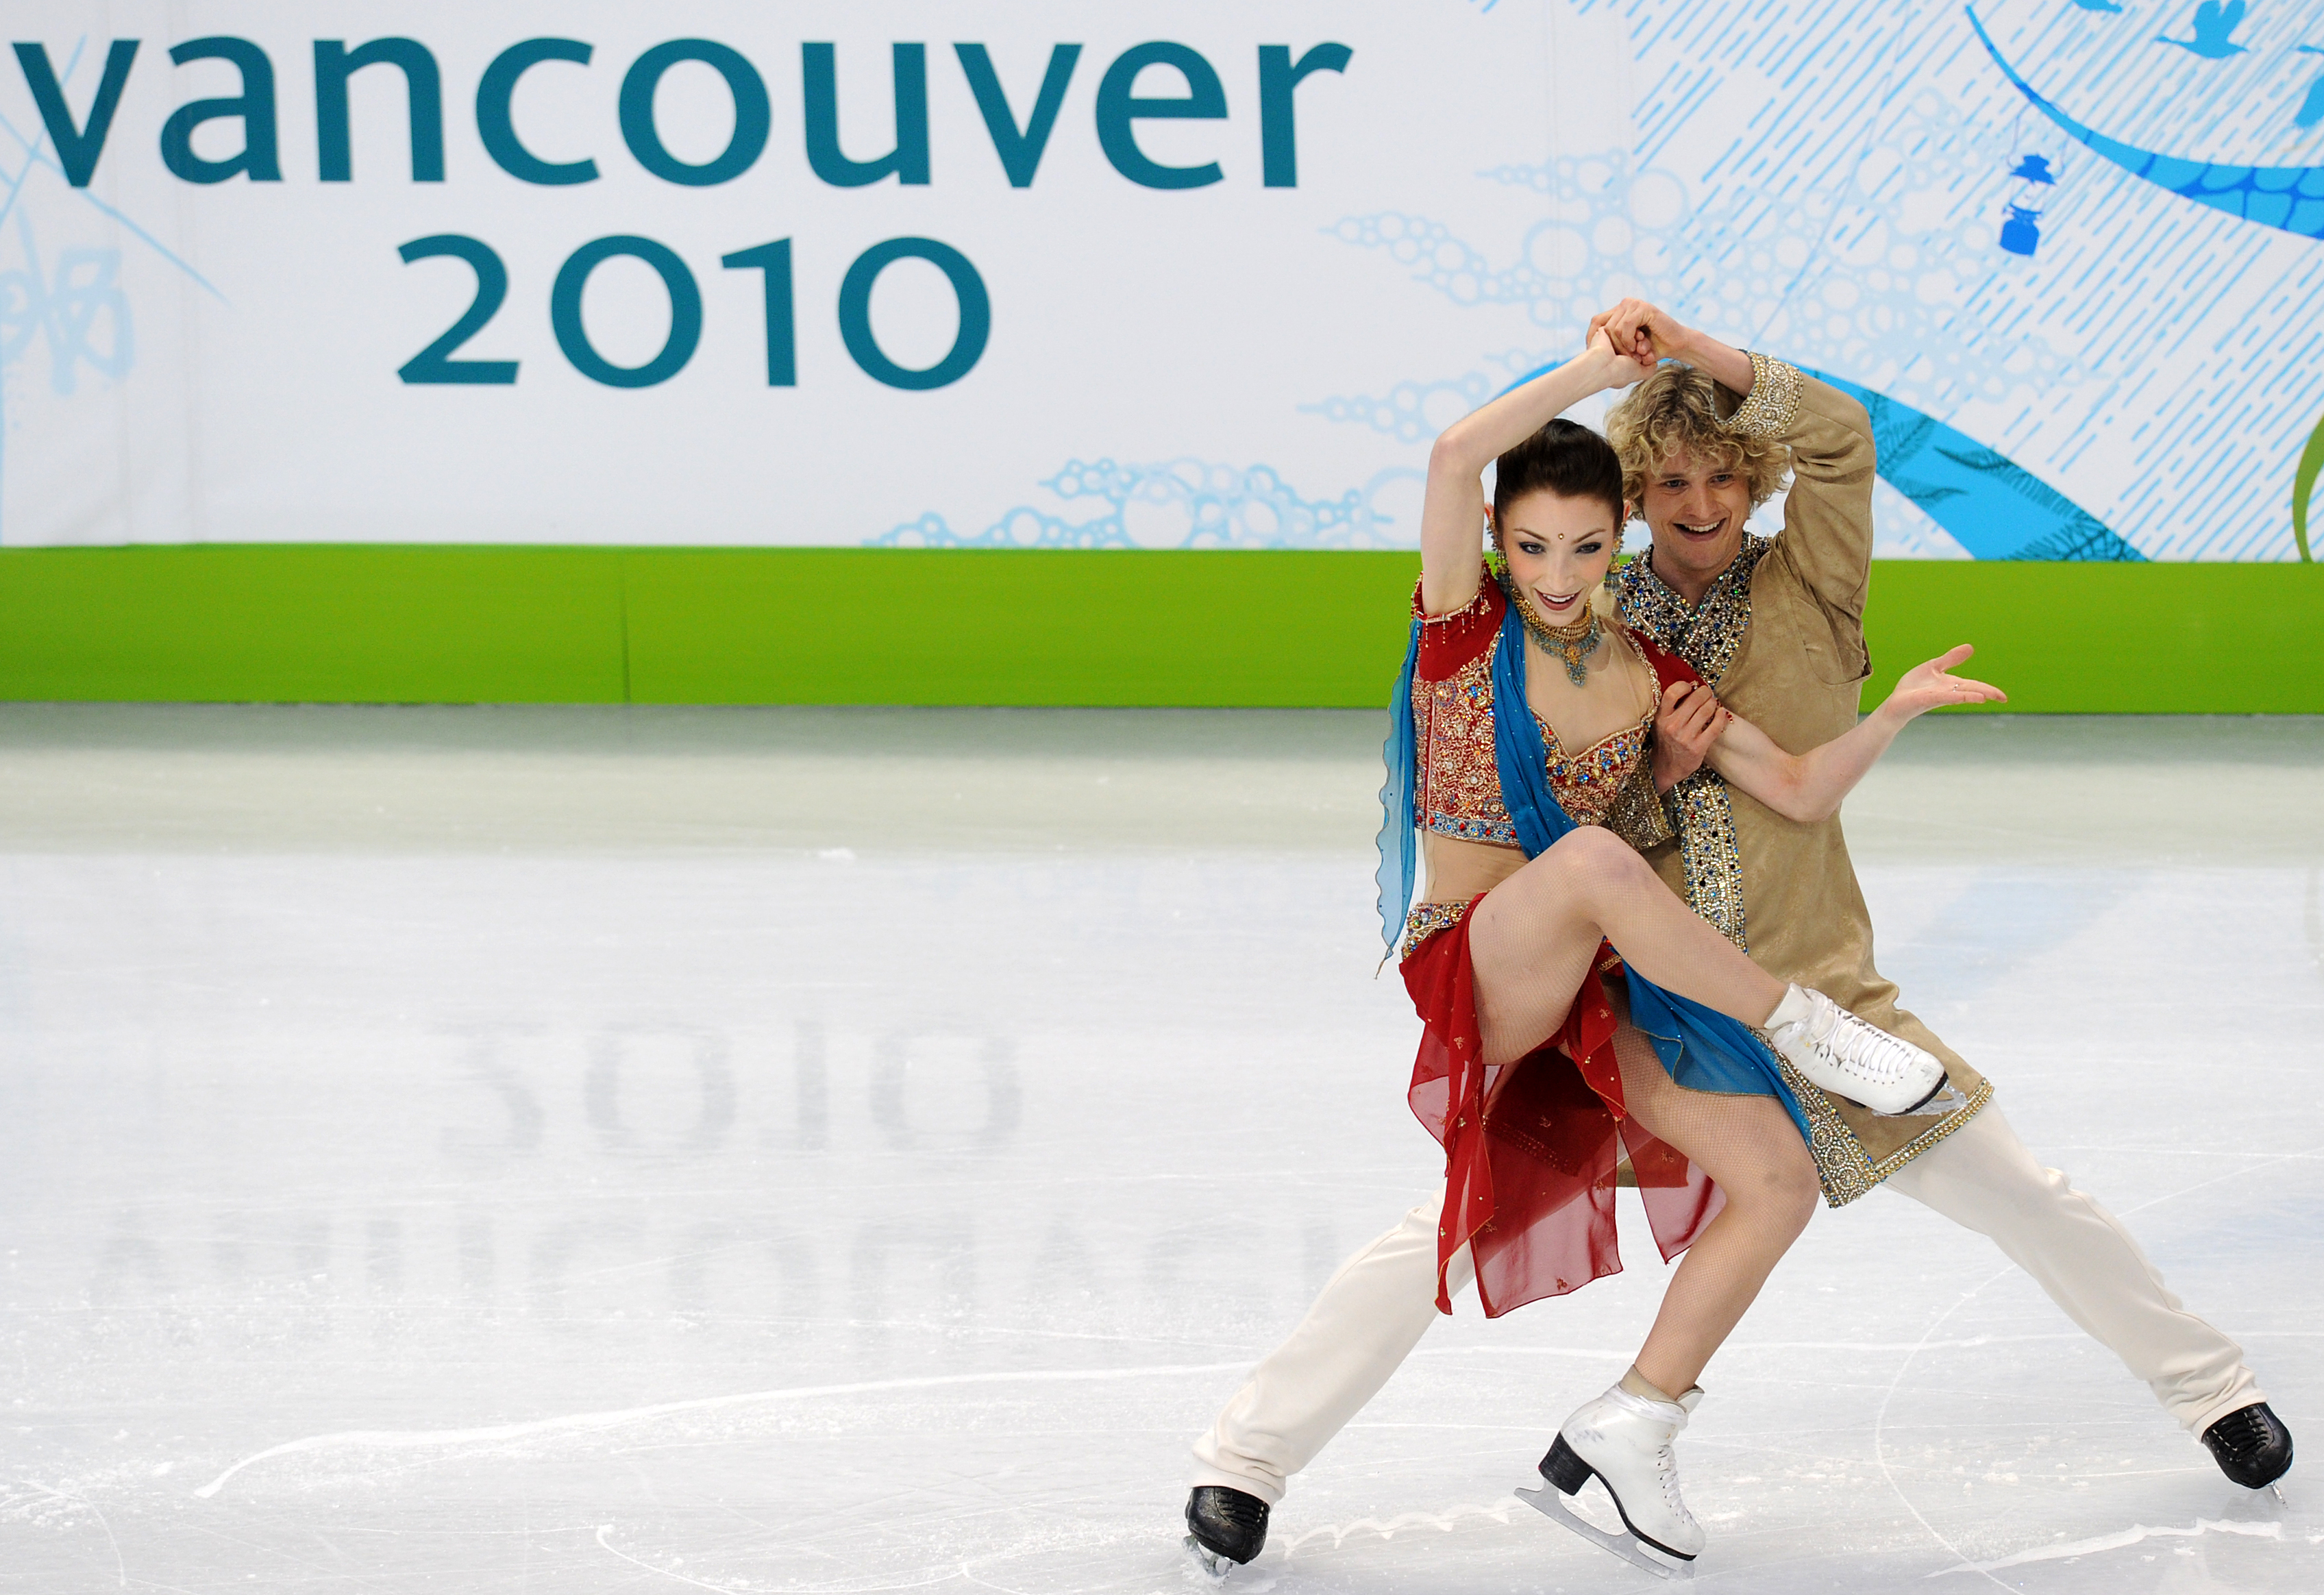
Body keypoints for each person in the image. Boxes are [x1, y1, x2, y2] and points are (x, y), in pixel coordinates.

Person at [1183, 324, 2005, 1577]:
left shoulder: (1645, 666)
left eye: (1584, 546)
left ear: (1620, 532)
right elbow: (1460, 450)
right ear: (1497, 538)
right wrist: (1596, 374)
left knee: (1777, 1175)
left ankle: (1633, 1422)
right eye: (1531, 545)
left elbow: (1789, 782)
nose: (1557, 574)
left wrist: (1883, 715)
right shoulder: (1462, 627)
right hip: (1480, 965)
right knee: (1594, 865)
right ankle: (1802, 1023)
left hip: (1589, 982)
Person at [1587, 299, 2293, 1503]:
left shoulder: (1812, 581)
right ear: (1635, 491)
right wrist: (1653, 781)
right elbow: (1571, 834)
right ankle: (1250, 1460)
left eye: (1721, 476)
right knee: (1454, 1216)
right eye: (1669, 481)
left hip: (1828, 1002)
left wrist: (1694, 348)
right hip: (1656, 1014)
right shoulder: (1595, 619)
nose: (1698, 503)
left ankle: (2212, 1390)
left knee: (2023, 1192)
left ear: (1755, 480)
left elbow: (1847, 436)